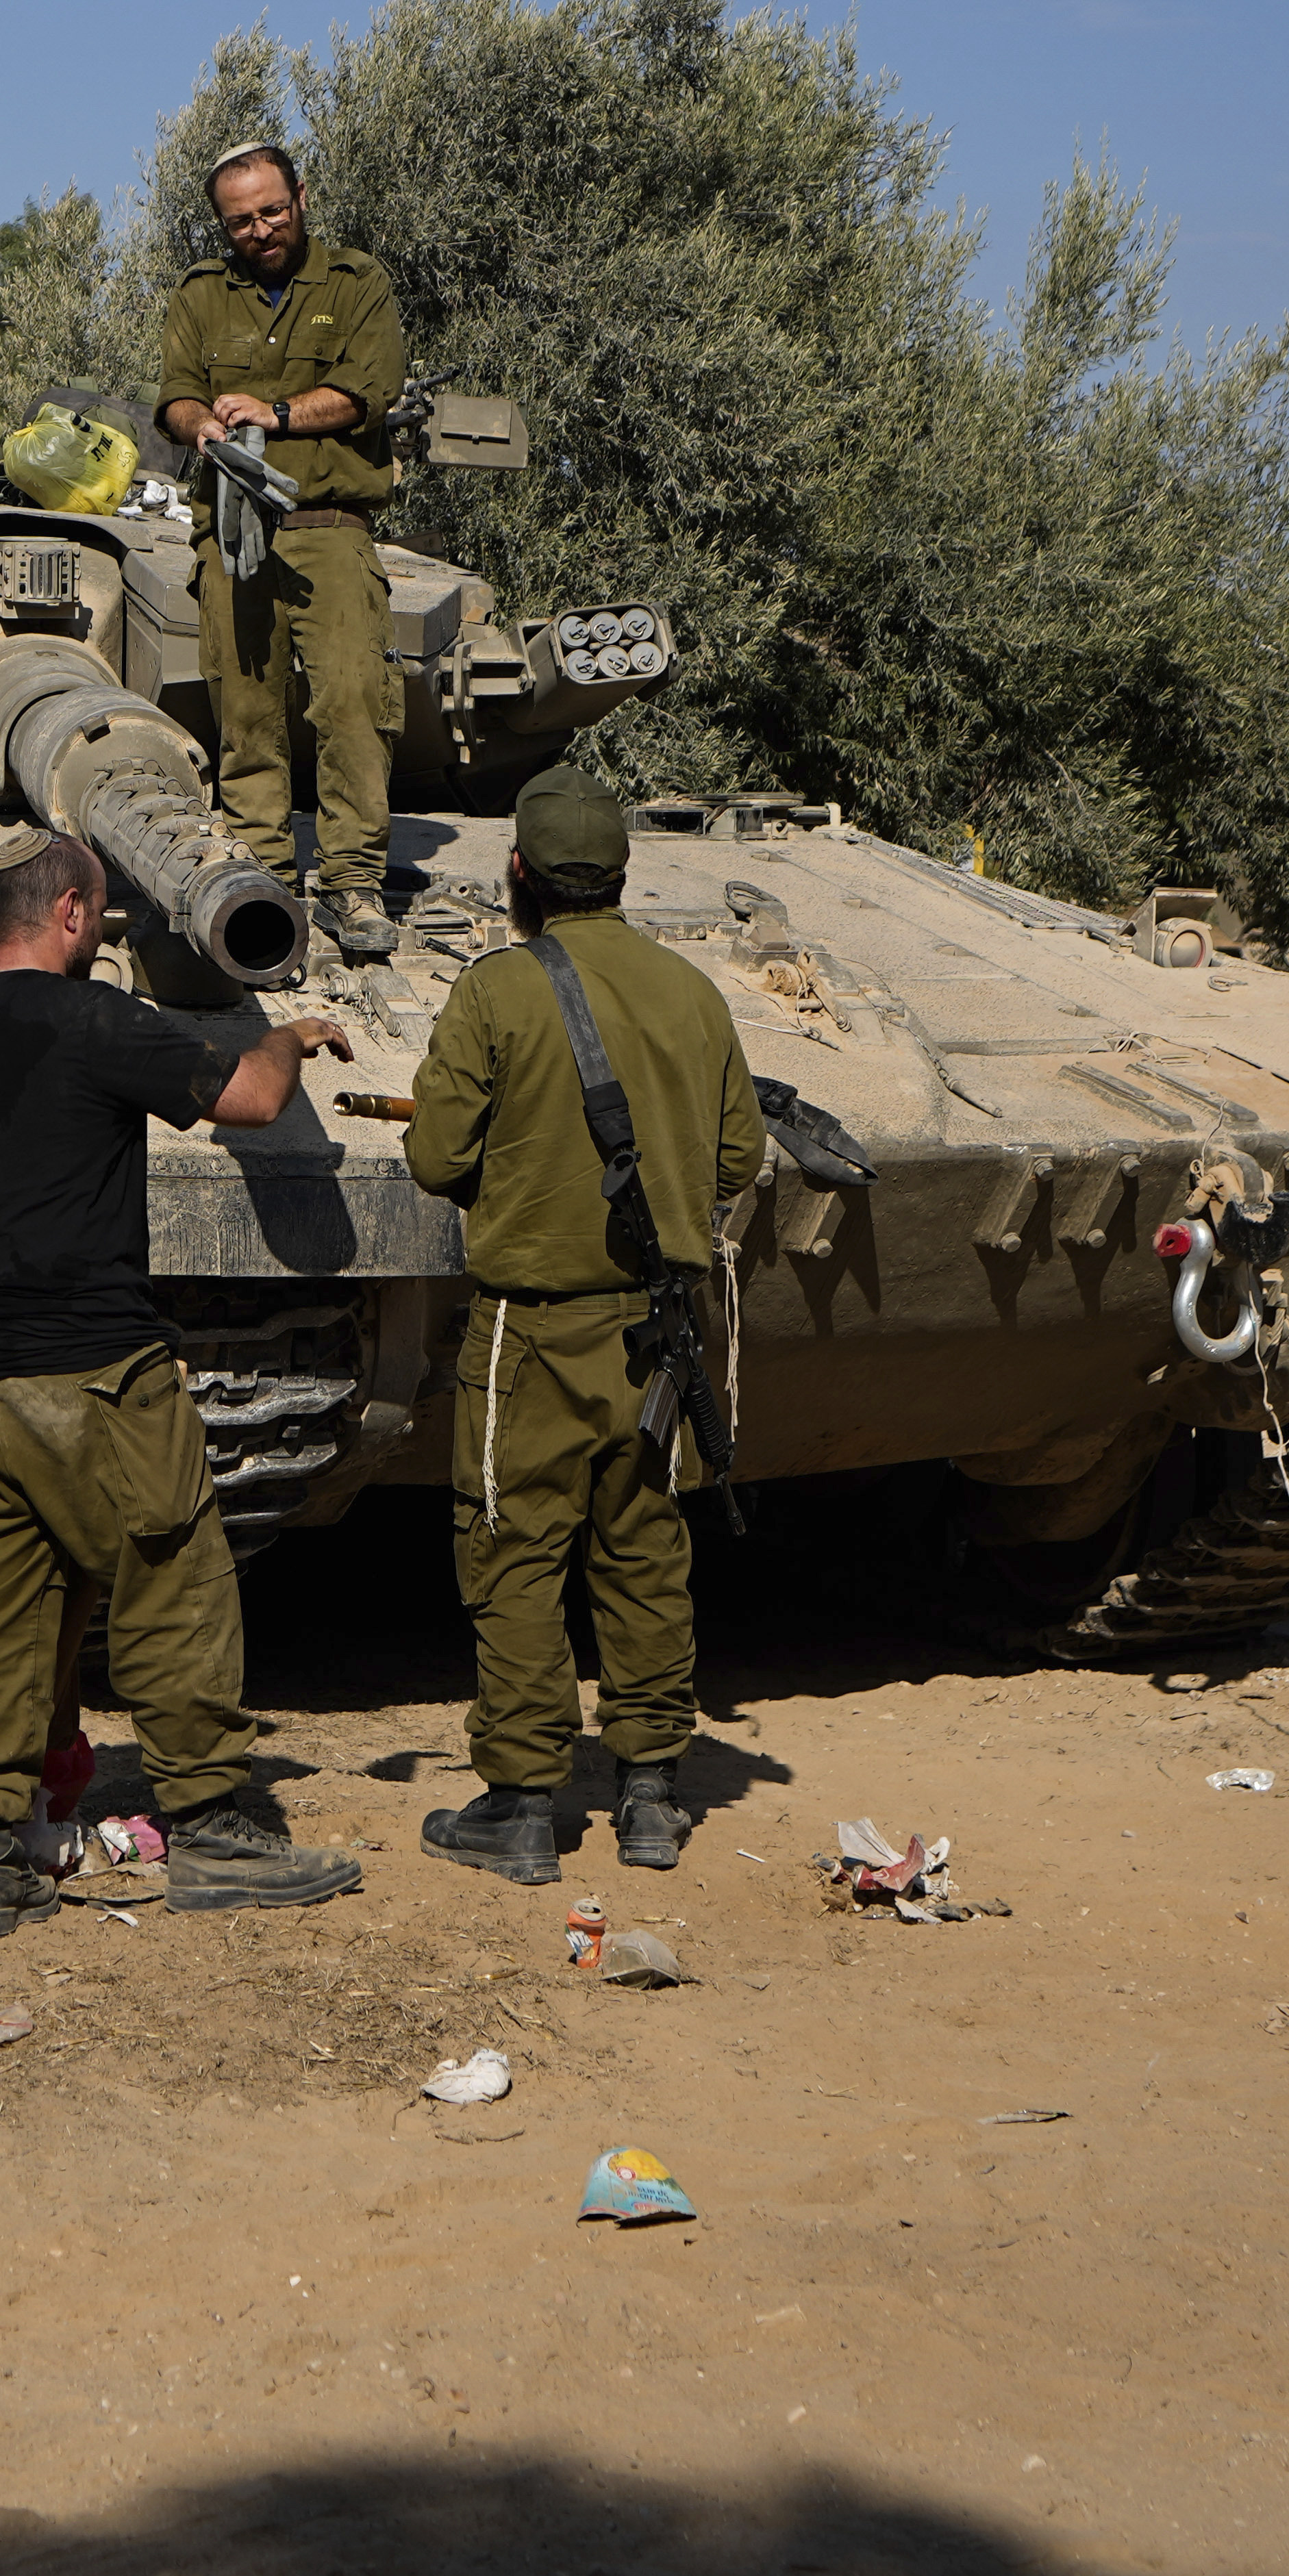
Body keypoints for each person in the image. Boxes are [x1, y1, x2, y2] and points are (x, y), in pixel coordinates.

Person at [0, 826, 369, 1936]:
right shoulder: (90, 1017)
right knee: (170, 1575)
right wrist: (284, 1035)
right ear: (72, 912)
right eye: (103, 915)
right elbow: (245, 1097)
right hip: (91, 1366)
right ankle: (218, 1834)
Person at [394, 766, 768, 1887]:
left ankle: (519, 1802)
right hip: (659, 1327)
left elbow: (433, 1157)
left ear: (517, 874)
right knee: (645, 1548)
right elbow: (740, 1156)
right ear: (619, 874)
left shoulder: (497, 990)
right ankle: (649, 1792)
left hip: (530, 1327)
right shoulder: (689, 990)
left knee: (512, 1548)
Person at [153, 144, 408, 962]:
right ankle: (261, 872)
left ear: (300, 195)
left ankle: (352, 884)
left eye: (272, 211)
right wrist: (204, 427)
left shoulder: (355, 284)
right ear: (222, 224)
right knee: (246, 713)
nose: (260, 230)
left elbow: (369, 390)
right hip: (231, 528)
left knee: (351, 709)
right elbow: (176, 395)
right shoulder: (200, 295)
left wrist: (273, 412)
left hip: (329, 526)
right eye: (240, 221)